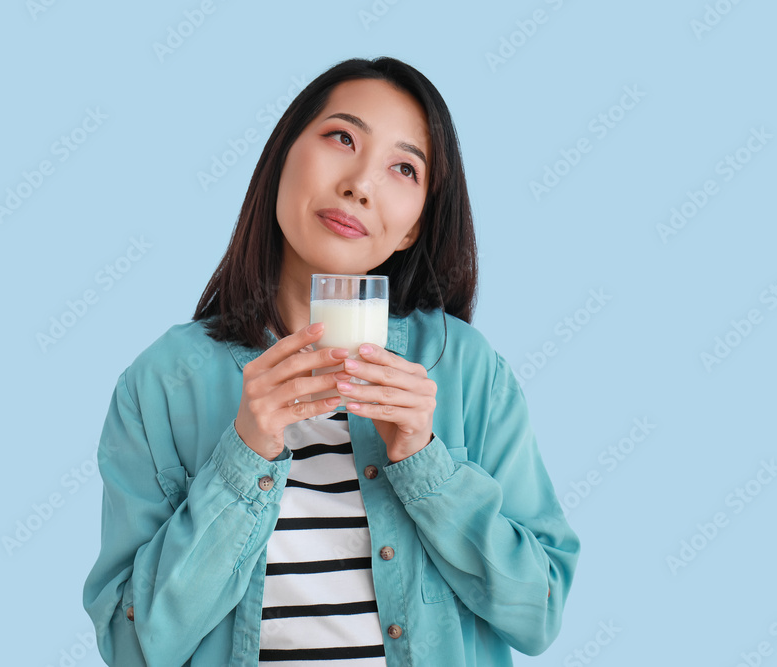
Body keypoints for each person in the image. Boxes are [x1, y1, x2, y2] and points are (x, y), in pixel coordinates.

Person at [82, 56, 580, 666]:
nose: (360, 184)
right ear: (282, 159)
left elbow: (539, 611)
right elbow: (133, 648)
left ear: (410, 230)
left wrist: (426, 466)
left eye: (403, 168)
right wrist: (243, 455)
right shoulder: (162, 383)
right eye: (342, 137)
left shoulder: (465, 369)